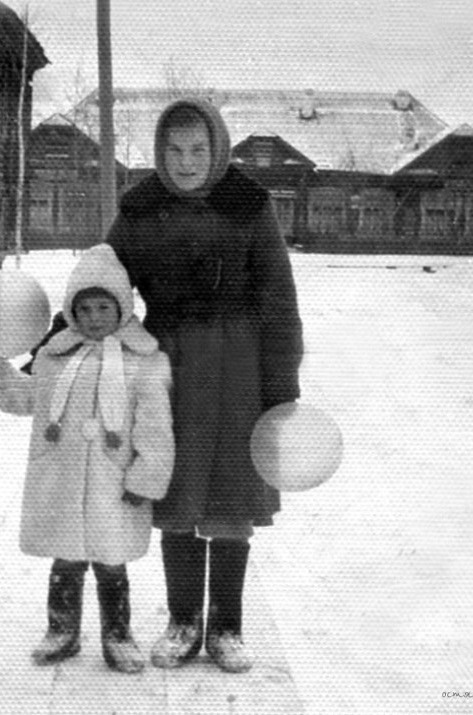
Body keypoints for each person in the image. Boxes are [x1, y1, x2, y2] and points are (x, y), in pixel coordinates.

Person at [105, 98, 304, 673]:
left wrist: (281, 389)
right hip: (168, 369)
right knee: (177, 491)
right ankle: (183, 621)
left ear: (217, 148)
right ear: (159, 152)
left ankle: (226, 627)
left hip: (240, 370)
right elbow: (101, 284)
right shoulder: (141, 209)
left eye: (198, 149)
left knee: (231, 497)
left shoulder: (248, 206)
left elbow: (279, 300)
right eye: (174, 150)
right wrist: (55, 342)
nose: (186, 161)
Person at [0, 244, 175, 674]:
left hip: (115, 482)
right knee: (66, 558)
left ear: (122, 307)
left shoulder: (145, 362)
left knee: (111, 559)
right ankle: (61, 630)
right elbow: (25, 397)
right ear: (71, 310)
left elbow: (156, 429)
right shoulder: (54, 357)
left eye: (103, 307)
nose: (94, 317)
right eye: (85, 308)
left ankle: (118, 635)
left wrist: (146, 477)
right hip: (62, 477)